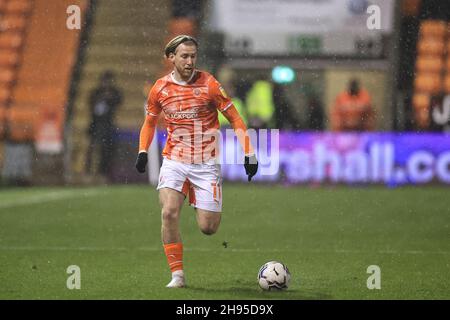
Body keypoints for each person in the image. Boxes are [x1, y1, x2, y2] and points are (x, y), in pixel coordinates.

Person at [135, 35, 258, 288]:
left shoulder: (210, 84)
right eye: (184, 56)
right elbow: (149, 122)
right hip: (174, 160)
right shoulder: (160, 88)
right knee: (168, 212)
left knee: (208, 228)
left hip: (205, 163)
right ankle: (177, 275)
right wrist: (143, 151)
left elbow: (235, 118)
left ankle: (194, 192)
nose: (190, 61)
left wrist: (249, 152)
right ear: (171, 58)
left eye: (193, 56)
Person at [85, 71, 122, 179]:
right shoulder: (96, 93)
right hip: (95, 124)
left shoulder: (113, 93)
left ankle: (104, 172)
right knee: (92, 149)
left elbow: (118, 100)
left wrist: (108, 97)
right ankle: (89, 171)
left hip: (108, 125)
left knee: (106, 150)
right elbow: (91, 103)